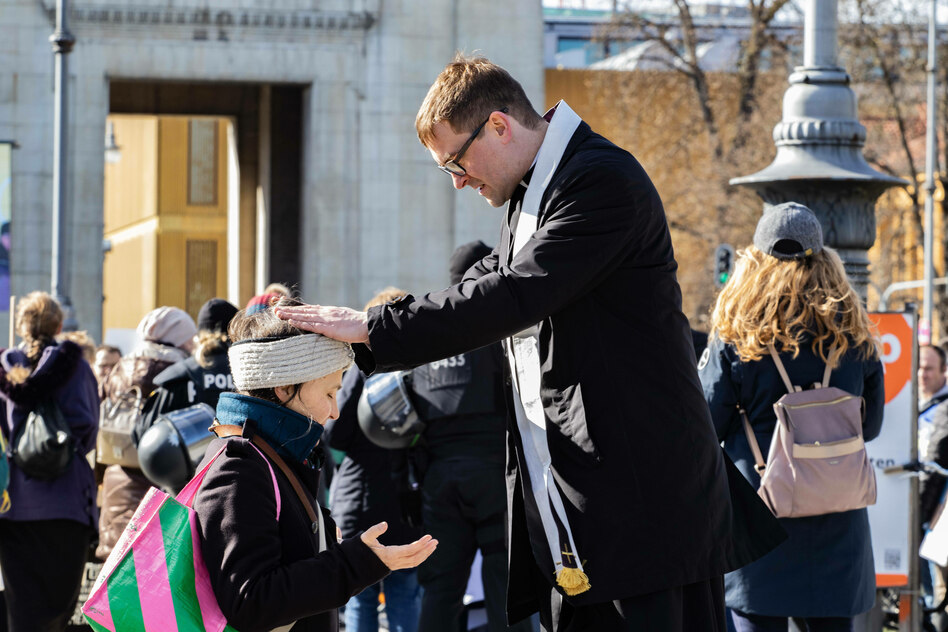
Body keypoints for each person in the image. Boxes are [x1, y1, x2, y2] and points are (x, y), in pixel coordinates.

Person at [276, 54, 783, 631]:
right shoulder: (533, 193)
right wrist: (375, 326)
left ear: (498, 126)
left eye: (456, 163)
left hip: (645, 515)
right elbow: (481, 285)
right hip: (587, 515)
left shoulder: (599, 180)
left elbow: (512, 293)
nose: (458, 181)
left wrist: (375, 326)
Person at [192, 298, 438, 632]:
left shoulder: (269, 454)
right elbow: (252, 601)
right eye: (329, 393)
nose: (335, 412)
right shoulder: (240, 467)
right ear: (283, 387)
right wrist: (356, 563)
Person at [699, 202, 884, 631]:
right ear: (823, 259)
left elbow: (706, 425)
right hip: (837, 522)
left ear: (756, 260)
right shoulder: (854, 337)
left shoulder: (737, 336)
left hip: (760, 519)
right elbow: (870, 427)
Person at [325, 286, 423, 632]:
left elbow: (336, 434)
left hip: (359, 498)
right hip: (407, 500)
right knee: (405, 593)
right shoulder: (420, 368)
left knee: (361, 596)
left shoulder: (360, 369)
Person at [0, 291, 99, 631]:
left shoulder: (5, 368)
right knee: (59, 608)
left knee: (22, 610)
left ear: (21, 327)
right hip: (67, 502)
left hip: (14, 504)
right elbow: (88, 429)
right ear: (58, 326)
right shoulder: (77, 367)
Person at [96, 306, 198, 560]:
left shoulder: (120, 368)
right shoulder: (180, 373)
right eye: (188, 338)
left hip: (118, 477)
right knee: (157, 568)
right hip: (166, 483)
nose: (192, 344)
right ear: (177, 337)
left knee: (120, 569)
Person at [140, 298, 239, 423]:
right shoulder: (249, 376)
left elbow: (145, 428)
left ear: (200, 333)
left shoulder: (179, 376)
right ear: (237, 331)